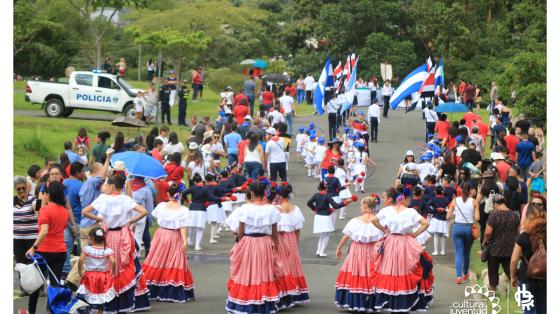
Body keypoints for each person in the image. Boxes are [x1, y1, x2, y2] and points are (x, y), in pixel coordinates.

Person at [81, 173, 149, 312]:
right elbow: (144, 211)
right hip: (122, 236)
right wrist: (131, 221)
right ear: (122, 186)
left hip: (107, 236)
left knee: (106, 266)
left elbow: (84, 211)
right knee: (122, 266)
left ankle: (105, 299)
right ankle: (121, 300)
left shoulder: (103, 199)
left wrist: (99, 220)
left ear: (111, 185)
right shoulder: (125, 199)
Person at [369, 186, 430, 312]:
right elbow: (426, 223)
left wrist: (384, 230)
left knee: (390, 269)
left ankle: (391, 301)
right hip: (404, 242)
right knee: (405, 269)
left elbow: (374, 220)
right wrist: (415, 234)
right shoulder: (411, 212)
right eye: (409, 199)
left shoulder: (387, 210)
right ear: (405, 199)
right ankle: (403, 301)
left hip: (390, 241)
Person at [142, 183, 195, 302]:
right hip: (174, 235)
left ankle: (151, 287)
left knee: (156, 259)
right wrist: (185, 241)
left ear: (168, 194)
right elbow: (182, 227)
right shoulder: (183, 210)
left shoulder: (161, 206)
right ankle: (170, 290)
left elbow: (156, 217)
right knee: (173, 262)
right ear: (180, 195)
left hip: (161, 234)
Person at [25, 181, 69, 314]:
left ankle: (31, 311)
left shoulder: (45, 210)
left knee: (36, 285)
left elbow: (44, 231)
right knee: (54, 286)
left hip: (44, 251)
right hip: (60, 251)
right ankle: (52, 311)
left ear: (48, 194)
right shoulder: (64, 211)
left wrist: (34, 246)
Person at [334, 196, 383, 311]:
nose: (361, 207)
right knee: (370, 273)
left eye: (362, 206)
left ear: (365, 207)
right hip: (372, 251)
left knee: (356, 272)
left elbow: (346, 236)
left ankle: (356, 302)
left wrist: (339, 248)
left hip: (357, 251)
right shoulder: (378, 221)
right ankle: (372, 302)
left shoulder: (356, 221)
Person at [275, 184, 309, 307]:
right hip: (292, 239)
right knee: (293, 265)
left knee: (281, 266)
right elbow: (298, 229)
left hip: (280, 239)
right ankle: (295, 292)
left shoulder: (276, 209)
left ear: (279, 195)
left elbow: (274, 229)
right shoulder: (296, 208)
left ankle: (284, 293)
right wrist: (296, 243)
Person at [510, 197, 546, 314]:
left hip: (525, 278)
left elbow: (514, 260)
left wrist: (513, 276)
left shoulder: (523, 236)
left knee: (528, 310)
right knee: (543, 309)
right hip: (545, 277)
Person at [482, 194, 520, 293]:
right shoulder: (514, 215)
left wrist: (484, 242)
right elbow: (518, 232)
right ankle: (520, 291)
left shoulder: (494, 215)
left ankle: (492, 293)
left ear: (495, 204)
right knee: (510, 271)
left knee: (493, 272)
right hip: (509, 249)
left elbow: (488, 232)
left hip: (495, 249)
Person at [307, 181, 355, 257]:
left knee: (322, 234)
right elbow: (336, 206)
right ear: (326, 187)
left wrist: (315, 209)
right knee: (326, 235)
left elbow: (309, 203)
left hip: (318, 216)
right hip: (326, 217)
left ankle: (318, 251)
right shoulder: (327, 196)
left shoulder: (316, 195)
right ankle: (321, 252)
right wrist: (345, 202)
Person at [77, 227, 117, 313]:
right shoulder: (107, 250)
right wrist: (113, 272)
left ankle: (89, 311)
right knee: (101, 298)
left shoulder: (88, 249)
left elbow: (80, 260)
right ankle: (100, 312)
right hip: (103, 276)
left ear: (92, 238)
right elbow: (113, 261)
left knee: (89, 296)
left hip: (89, 276)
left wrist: (80, 271)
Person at [447, 183, 480, 284]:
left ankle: (458, 276)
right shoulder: (474, 202)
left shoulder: (455, 201)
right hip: (468, 228)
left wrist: (456, 216)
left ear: (461, 190)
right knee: (466, 252)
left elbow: (448, 217)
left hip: (457, 227)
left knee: (458, 253)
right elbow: (478, 218)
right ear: (470, 191)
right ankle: (465, 274)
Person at [79, 151, 111, 248]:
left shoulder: (86, 184)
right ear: (96, 171)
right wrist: (108, 159)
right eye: (103, 170)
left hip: (84, 224)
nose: (105, 174)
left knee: (85, 256)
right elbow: (101, 177)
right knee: (96, 254)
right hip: (92, 225)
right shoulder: (93, 182)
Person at [62, 162, 86, 279]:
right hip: (79, 221)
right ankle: (81, 275)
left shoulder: (63, 183)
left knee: (66, 250)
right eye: (82, 171)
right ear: (77, 172)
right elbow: (85, 204)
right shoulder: (81, 186)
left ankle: (65, 275)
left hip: (65, 221)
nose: (84, 173)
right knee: (84, 251)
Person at [427, 185, 451, 255]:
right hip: (443, 218)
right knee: (442, 236)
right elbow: (449, 208)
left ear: (435, 192)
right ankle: (443, 251)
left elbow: (427, 206)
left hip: (436, 218)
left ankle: (436, 251)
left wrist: (435, 209)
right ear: (442, 192)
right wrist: (444, 209)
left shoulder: (433, 199)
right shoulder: (446, 199)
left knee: (436, 235)